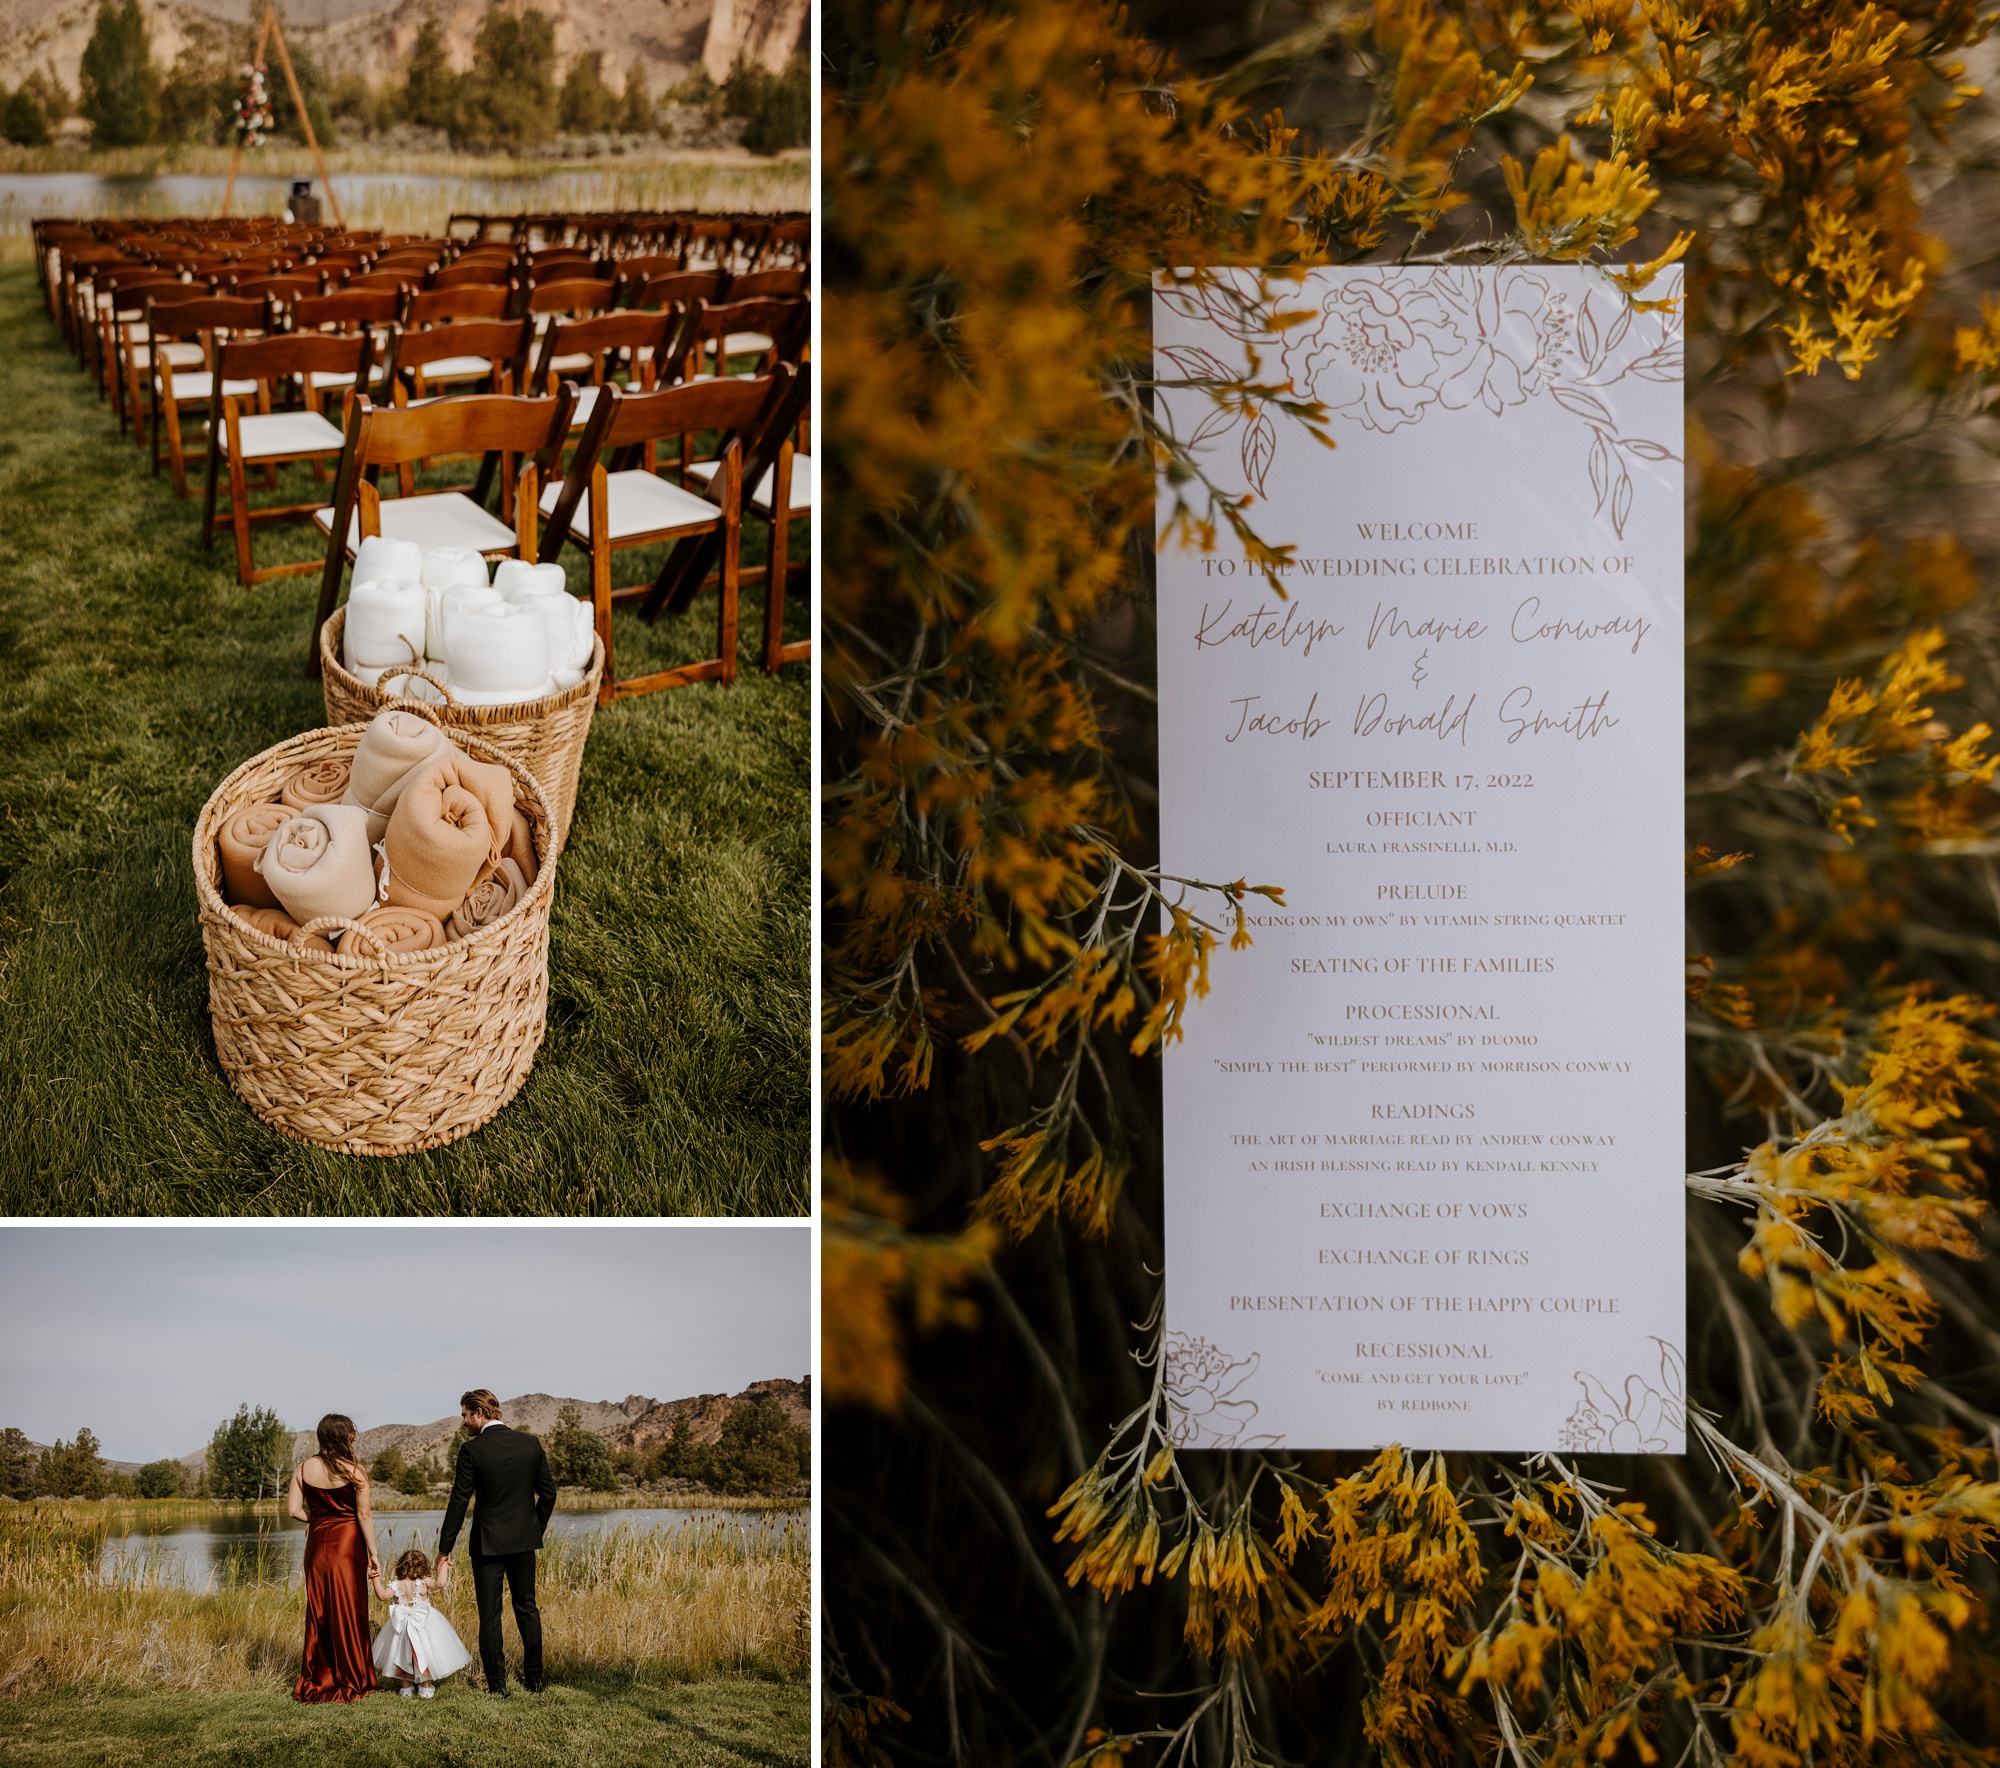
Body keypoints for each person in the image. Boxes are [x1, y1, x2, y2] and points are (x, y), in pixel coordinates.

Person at [436, 1388, 557, 1696]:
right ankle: (534, 1681)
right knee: (527, 1608)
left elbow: (459, 1502)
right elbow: (549, 1494)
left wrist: (444, 1548)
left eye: (465, 1414)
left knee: (490, 1615)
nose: (463, 1421)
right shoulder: (530, 1444)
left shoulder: (472, 1451)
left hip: (488, 1545)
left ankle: (498, 1686)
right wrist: (534, 1529)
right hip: (524, 1542)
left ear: (479, 1413)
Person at [290, 1412, 380, 1702]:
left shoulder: (303, 1469)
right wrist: (374, 1553)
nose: (354, 1437)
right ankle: (355, 1677)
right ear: (343, 1437)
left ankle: (318, 1678)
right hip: (348, 1544)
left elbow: (293, 1511)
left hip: (317, 1545)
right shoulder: (354, 1472)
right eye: (351, 1433)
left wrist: (317, 1519)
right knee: (350, 1609)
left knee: (319, 1609)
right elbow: (363, 1514)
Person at [371, 1546, 473, 1697]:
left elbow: (382, 1595)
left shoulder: (396, 1585)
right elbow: (440, 1583)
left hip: (401, 1626)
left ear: (401, 1567)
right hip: (424, 1625)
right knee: (425, 1653)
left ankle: (405, 1689)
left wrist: (374, 1577)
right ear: (423, 1566)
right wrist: (443, 1564)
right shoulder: (423, 1583)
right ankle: (425, 1688)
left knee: (401, 1654)